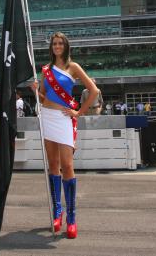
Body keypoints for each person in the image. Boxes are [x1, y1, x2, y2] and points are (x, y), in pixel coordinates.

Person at [31, 32, 98, 238]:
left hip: (64, 119)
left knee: (67, 166)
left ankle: (71, 218)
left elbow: (94, 91)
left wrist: (78, 111)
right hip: (47, 117)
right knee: (53, 165)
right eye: (54, 43)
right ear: (51, 47)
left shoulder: (73, 67)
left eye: (60, 43)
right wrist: (35, 90)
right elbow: (42, 98)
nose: (57, 46)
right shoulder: (46, 70)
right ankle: (57, 212)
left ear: (66, 46)